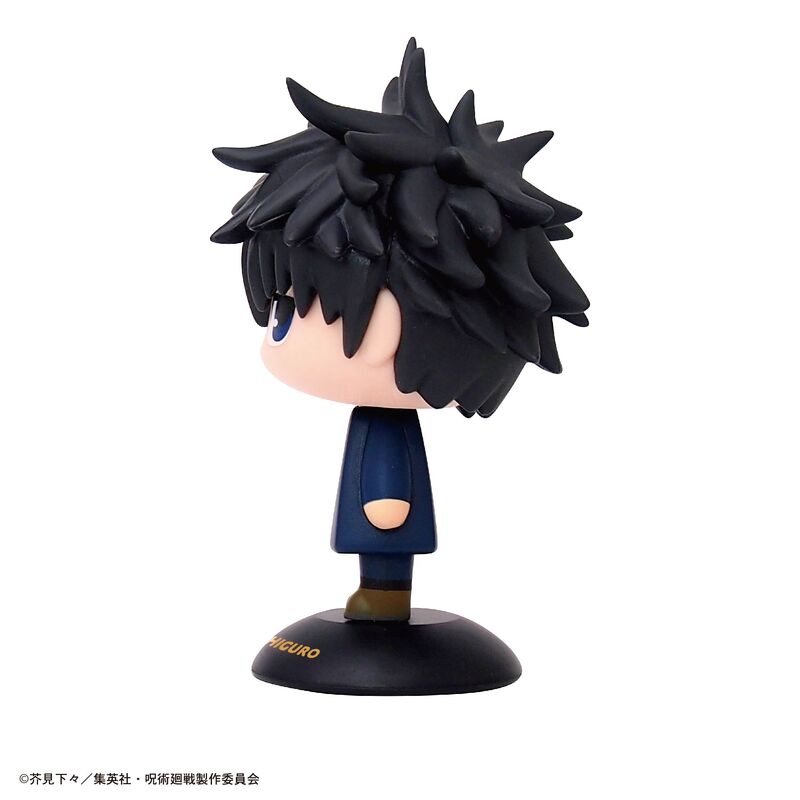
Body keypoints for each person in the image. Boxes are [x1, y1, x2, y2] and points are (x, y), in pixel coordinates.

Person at [211, 38, 589, 621]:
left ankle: (387, 598)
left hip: (385, 525)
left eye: (287, 312)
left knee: (385, 526)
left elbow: (387, 505)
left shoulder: (385, 436)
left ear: (386, 329)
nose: (274, 329)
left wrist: (385, 506)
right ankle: (383, 596)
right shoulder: (380, 424)